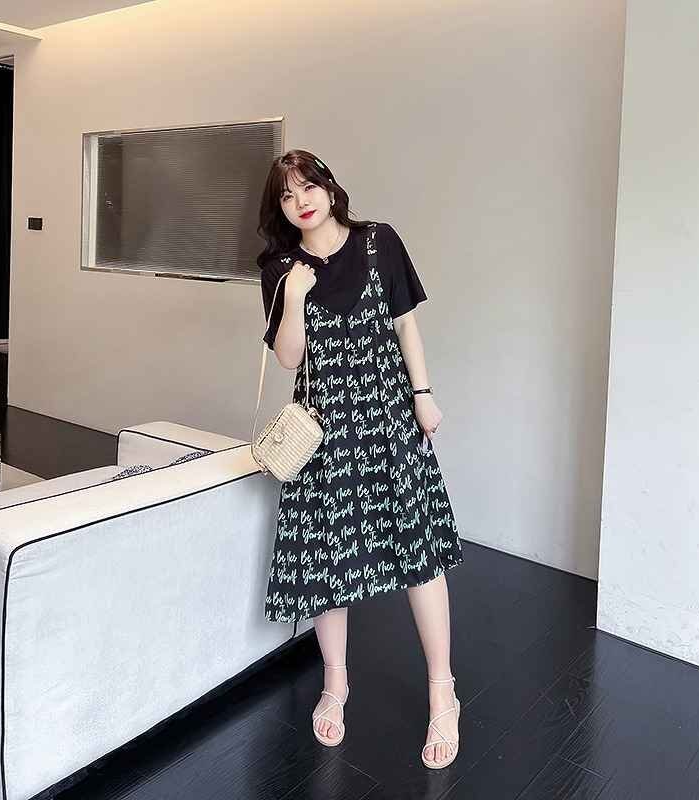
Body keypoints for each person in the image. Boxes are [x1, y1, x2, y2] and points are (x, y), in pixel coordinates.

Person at [255, 149, 465, 769]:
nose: (301, 201)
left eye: (308, 186)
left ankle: (443, 691)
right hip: (322, 431)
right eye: (287, 195)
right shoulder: (279, 269)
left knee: (419, 552)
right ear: (280, 210)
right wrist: (295, 298)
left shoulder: (379, 242)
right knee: (326, 559)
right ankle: (335, 684)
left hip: (389, 417)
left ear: (329, 187)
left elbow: (405, 325)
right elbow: (289, 359)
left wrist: (423, 394)